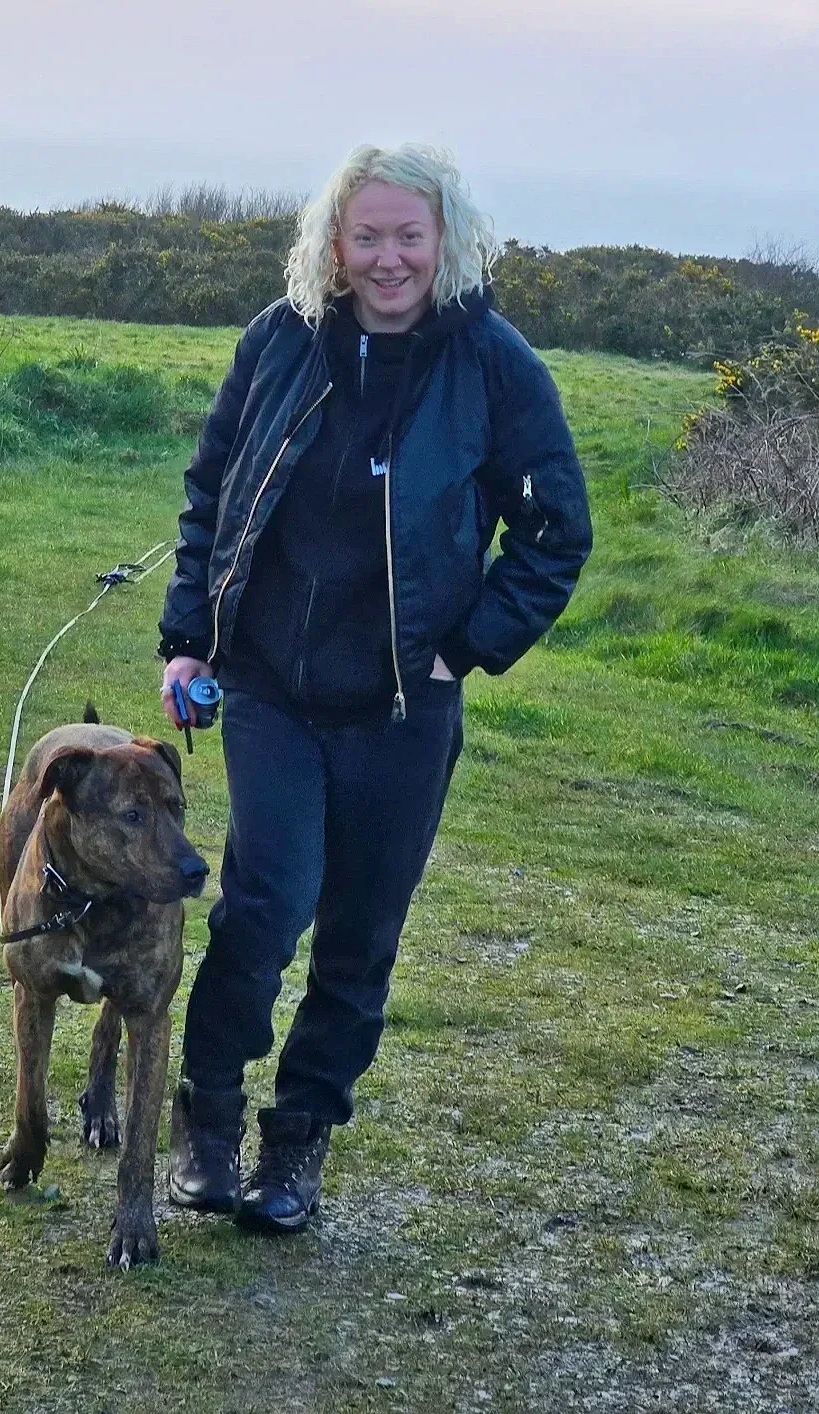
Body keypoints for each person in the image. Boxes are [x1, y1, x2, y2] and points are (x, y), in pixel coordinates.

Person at [156, 143, 592, 1234]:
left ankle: (295, 1144)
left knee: (359, 934)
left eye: (409, 235)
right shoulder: (280, 341)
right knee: (264, 905)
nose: (388, 257)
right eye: (368, 235)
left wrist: (466, 649)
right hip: (267, 687)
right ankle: (205, 1117)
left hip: (404, 706)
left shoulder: (495, 365)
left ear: (444, 240)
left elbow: (554, 530)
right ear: (334, 243)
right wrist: (189, 640)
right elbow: (211, 492)